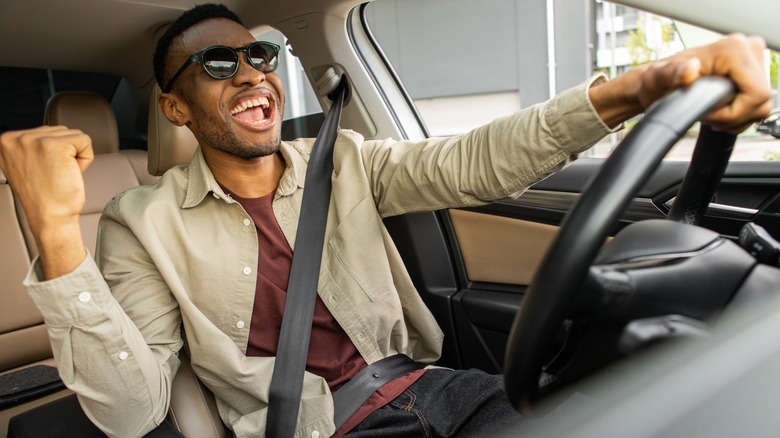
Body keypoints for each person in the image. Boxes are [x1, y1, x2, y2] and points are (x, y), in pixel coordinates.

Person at [0, 3, 771, 438]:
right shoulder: (140, 221)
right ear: (173, 108)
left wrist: (643, 88)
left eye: (261, 56)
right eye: (216, 64)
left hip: (434, 391)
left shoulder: (348, 161)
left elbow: (478, 161)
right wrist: (57, 235)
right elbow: (132, 413)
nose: (251, 73)